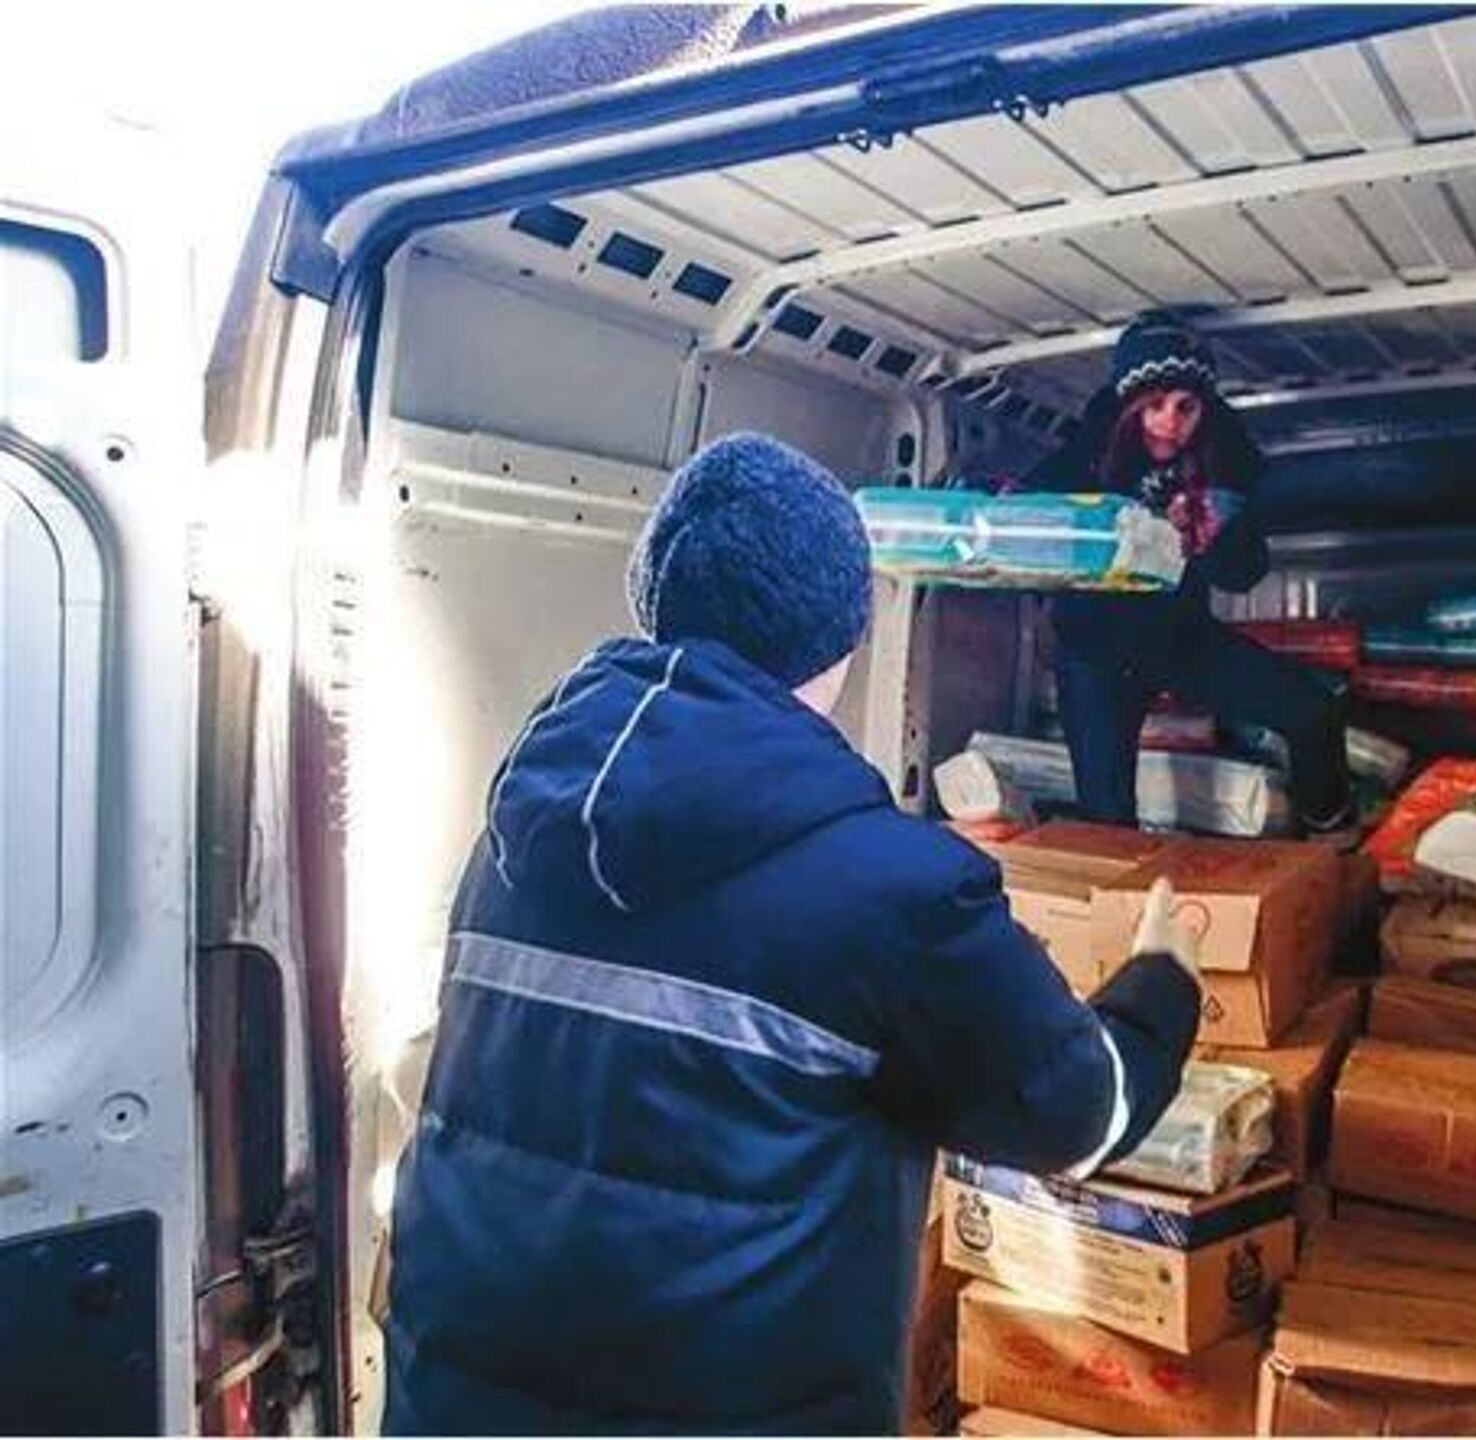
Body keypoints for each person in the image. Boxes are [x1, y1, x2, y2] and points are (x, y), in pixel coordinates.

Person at [380, 433, 1203, 1435]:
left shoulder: (517, 832)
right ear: (843, 636)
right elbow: (1079, 1117)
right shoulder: (900, 894)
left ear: (656, 604)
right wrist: (1161, 984)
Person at [1024, 311, 1354, 837]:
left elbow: (1244, 576)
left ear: (1206, 409)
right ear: (1129, 406)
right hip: (1095, 656)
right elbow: (1019, 523)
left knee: (1313, 713)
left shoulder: (1224, 464)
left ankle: (1334, 833)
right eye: (1153, 406)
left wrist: (1214, 530)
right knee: (1108, 824)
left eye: (1186, 407)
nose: (1169, 421)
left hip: (1181, 641)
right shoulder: (1083, 456)